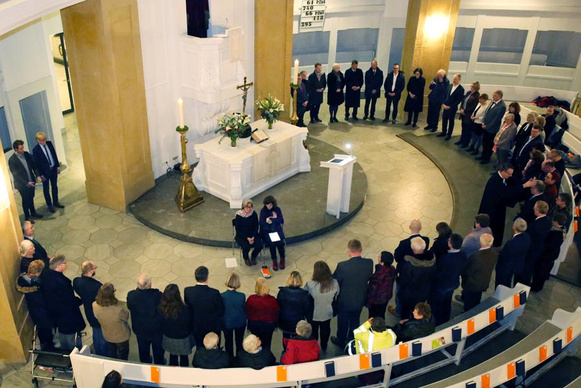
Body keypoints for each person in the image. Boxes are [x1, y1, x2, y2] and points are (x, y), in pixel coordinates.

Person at [330, 239, 373, 349]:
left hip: (345, 301)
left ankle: (341, 340)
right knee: (355, 320)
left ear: (349, 251)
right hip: (360, 299)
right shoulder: (369, 263)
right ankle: (352, 339)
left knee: (343, 322)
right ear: (361, 249)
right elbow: (368, 277)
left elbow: (335, 281)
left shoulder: (342, 266)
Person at [478, 164, 534, 247]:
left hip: (497, 207)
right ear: (503, 171)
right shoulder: (495, 181)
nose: (510, 176)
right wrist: (524, 186)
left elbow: (513, 183)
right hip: (492, 210)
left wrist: (524, 183)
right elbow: (507, 193)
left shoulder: (502, 178)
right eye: (509, 174)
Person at [41, 254, 86, 350]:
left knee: (62, 334)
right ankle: (76, 355)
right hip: (67, 315)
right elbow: (68, 300)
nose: (66, 264)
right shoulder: (62, 283)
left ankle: (64, 352)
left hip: (56, 314)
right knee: (72, 338)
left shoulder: (47, 275)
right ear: (58, 266)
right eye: (64, 262)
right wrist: (78, 301)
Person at [391, 219, 430, 316]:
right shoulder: (426, 240)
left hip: (405, 272)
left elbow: (397, 257)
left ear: (409, 227)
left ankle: (398, 310)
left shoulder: (404, 243)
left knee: (400, 292)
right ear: (421, 228)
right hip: (421, 278)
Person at [126, 273, 164, 364]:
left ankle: (145, 363)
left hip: (140, 329)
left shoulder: (131, 296)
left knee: (143, 350)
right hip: (156, 330)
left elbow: (129, 307)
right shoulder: (158, 295)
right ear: (149, 285)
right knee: (158, 350)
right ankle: (159, 364)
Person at [429, 234, 467, 325]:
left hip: (442, 285)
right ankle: (446, 318)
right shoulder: (463, 255)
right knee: (447, 301)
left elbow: (439, 273)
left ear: (450, 244)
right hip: (453, 283)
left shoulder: (446, 259)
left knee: (437, 303)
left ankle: (437, 321)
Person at [16, 260, 54, 350]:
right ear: (37, 273)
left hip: (34, 310)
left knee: (41, 329)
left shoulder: (22, 280)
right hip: (41, 311)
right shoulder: (35, 286)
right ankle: (47, 347)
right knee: (45, 330)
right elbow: (42, 300)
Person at [184, 265, 224, 349]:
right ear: (207, 277)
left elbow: (188, 308)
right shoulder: (214, 293)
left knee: (200, 346)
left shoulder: (188, 291)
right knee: (214, 348)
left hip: (196, 326)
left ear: (195, 277)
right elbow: (221, 310)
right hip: (212, 326)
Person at [73, 260, 107, 356]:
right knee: (101, 333)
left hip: (88, 310)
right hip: (98, 311)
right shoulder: (97, 286)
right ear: (91, 271)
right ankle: (103, 354)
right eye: (95, 268)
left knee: (96, 332)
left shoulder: (77, 281)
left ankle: (97, 351)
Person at [398, 237, 436, 320]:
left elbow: (403, 281)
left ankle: (404, 322)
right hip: (423, 292)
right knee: (417, 311)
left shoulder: (409, 264)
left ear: (413, 249)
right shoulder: (432, 259)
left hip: (409, 294)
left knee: (405, 311)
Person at [305, 261, 339, 352]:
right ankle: (324, 345)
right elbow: (336, 296)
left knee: (313, 331)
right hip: (328, 312)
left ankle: (314, 346)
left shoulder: (310, 285)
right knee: (326, 329)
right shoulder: (334, 283)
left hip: (314, 314)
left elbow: (305, 296)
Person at [515, 201, 552, 286]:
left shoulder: (536, 225)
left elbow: (529, 237)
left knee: (525, 271)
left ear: (538, 211)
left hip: (531, 250)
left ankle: (520, 288)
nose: (533, 209)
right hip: (537, 248)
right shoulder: (547, 220)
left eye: (535, 208)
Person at [460, 234, 498, 311]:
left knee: (469, 303)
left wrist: (464, 280)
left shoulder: (475, 257)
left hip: (472, 284)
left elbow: (467, 271)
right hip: (483, 282)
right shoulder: (494, 253)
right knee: (477, 299)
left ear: (481, 242)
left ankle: (466, 314)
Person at [8, 139, 43, 222]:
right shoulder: (12, 160)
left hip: (31, 180)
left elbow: (34, 166)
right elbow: (16, 175)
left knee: (31, 197)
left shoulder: (26, 154)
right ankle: (27, 217)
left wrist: (37, 175)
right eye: (20, 148)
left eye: (23, 147)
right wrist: (27, 183)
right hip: (22, 185)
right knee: (25, 199)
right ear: (15, 149)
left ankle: (33, 212)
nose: (22, 150)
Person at [93, 283, 130, 360]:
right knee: (122, 355)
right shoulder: (117, 310)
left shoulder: (94, 305)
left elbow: (96, 316)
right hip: (121, 337)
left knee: (112, 353)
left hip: (107, 335)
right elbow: (126, 317)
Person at [531, 213, 567, 292]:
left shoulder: (556, 234)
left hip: (547, 255)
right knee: (543, 271)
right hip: (551, 254)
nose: (552, 221)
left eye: (554, 221)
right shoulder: (562, 230)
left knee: (540, 271)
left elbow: (548, 245)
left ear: (557, 223)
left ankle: (536, 287)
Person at [158, 284, 192, 367]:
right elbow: (189, 323)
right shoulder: (185, 309)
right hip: (183, 338)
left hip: (169, 337)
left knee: (172, 356)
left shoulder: (161, 309)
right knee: (184, 357)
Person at [32, 131, 64, 212]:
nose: (44, 141)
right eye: (42, 140)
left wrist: (57, 167)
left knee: (54, 186)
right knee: (46, 189)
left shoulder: (49, 144)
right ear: (38, 140)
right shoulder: (36, 150)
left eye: (44, 139)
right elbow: (36, 164)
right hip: (44, 173)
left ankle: (56, 201)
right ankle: (49, 205)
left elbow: (54, 155)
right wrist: (40, 175)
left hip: (53, 169)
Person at [495, 218, 531, 288]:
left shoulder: (511, 243)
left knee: (500, 286)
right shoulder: (527, 237)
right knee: (507, 283)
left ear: (514, 227)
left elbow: (503, 256)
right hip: (516, 265)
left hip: (505, 268)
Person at [246, 277, 279, 350]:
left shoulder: (251, 299)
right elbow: (276, 312)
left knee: (254, 343)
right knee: (267, 343)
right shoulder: (272, 300)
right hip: (268, 326)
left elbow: (247, 312)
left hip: (254, 325)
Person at [277, 271, 312, 338]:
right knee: (296, 338)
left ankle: (286, 348)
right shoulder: (304, 294)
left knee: (285, 337)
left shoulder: (282, 292)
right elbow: (307, 309)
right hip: (298, 322)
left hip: (284, 320)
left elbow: (278, 306)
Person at [221, 272, 246, 358]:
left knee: (228, 341)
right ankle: (239, 358)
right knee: (239, 341)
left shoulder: (222, 296)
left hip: (227, 323)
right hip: (240, 322)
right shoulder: (241, 296)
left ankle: (229, 358)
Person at [478, 90, 507, 165]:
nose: (493, 97)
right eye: (493, 95)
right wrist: (484, 122)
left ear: (499, 96)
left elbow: (496, 119)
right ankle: (483, 155)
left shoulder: (502, 106)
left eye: (495, 96)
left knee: (489, 144)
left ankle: (486, 158)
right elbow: (487, 112)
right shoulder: (492, 102)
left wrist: (487, 126)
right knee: (484, 142)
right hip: (485, 126)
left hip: (492, 129)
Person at [366, 251, 396, 319]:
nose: (378, 257)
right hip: (385, 298)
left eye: (379, 257)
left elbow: (372, 291)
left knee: (372, 317)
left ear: (382, 262)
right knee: (381, 314)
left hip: (376, 301)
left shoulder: (378, 275)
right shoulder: (392, 269)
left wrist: (368, 303)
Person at [259, 195, 285, 271]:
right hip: (267, 232)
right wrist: (266, 221)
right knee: (272, 244)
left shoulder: (277, 209)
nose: (268, 206)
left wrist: (275, 218)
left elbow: (282, 221)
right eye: (267, 205)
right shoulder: (263, 211)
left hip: (276, 231)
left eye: (270, 205)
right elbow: (260, 223)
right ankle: (274, 260)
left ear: (273, 204)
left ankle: (282, 259)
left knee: (280, 243)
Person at [234, 199, 263, 266]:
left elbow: (256, 227)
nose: (249, 209)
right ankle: (246, 258)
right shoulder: (239, 216)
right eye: (247, 207)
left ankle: (253, 255)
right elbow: (238, 230)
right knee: (246, 246)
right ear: (243, 207)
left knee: (259, 245)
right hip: (242, 236)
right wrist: (247, 238)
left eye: (250, 207)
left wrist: (253, 237)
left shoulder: (254, 214)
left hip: (253, 234)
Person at [438, 73, 465, 140]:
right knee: (444, 119)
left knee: (451, 121)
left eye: (455, 79)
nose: (454, 80)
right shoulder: (450, 86)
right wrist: (443, 104)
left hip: (452, 108)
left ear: (459, 80)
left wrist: (450, 106)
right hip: (445, 106)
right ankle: (443, 131)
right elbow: (445, 95)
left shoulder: (461, 89)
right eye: (453, 79)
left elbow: (458, 100)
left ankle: (449, 134)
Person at [456, 81, 480, 147]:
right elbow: (463, 101)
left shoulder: (477, 96)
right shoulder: (468, 93)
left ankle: (465, 142)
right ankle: (461, 140)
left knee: (467, 129)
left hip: (468, 114)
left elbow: (473, 106)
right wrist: (461, 108)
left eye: (472, 86)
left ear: (475, 87)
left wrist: (465, 111)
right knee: (463, 127)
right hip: (463, 113)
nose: (471, 87)